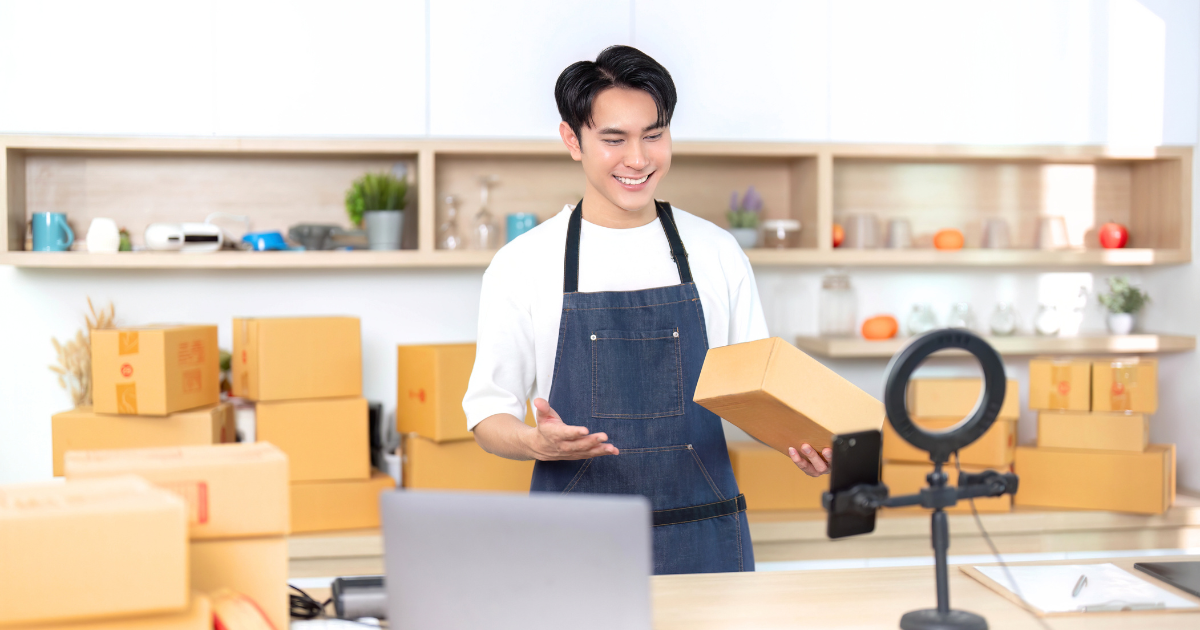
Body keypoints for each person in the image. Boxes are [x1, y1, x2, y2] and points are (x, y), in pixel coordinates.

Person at [462, 45, 832, 575]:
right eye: (614, 139)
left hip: (702, 535)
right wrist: (535, 442)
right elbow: (487, 414)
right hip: (573, 549)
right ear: (573, 140)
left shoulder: (716, 252)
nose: (638, 159)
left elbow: (756, 397)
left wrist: (806, 443)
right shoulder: (523, 264)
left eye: (654, 135)